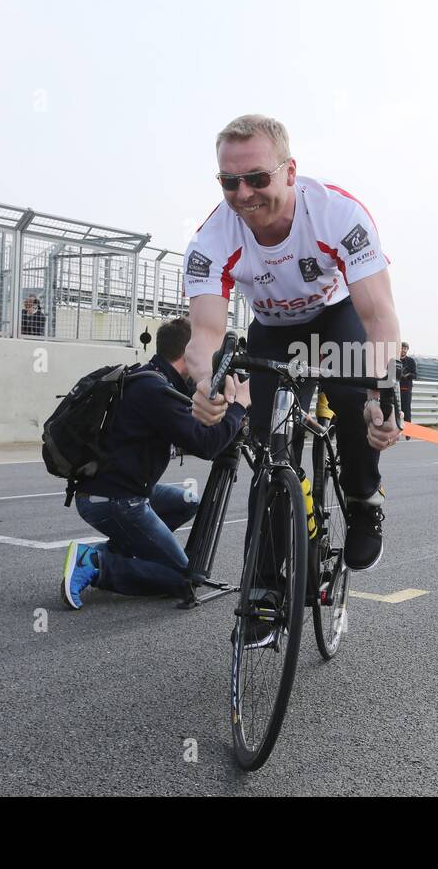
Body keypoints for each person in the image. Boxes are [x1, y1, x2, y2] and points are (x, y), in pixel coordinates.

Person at [182, 114, 402, 574]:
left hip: (335, 317)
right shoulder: (211, 239)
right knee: (267, 448)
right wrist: (206, 382)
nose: (243, 194)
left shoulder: (337, 214)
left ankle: (363, 498)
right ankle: (264, 580)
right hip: (274, 330)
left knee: (352, 398)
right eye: (229, 181)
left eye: (257, 178)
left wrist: (381, 393)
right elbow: (204, 335)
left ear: (289, 172)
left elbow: (378, 314)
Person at [60, 317, 250, 609]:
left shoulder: (149, 377)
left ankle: (118, 551)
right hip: (115, 501)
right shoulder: (156, 391)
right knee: (184, 579)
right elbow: (207, 445)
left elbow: (195, 426)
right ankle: (97, 564)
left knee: (186, 501)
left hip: (123, 490)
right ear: (189, 354)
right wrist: (239, 406)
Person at [398, 341, 417, 439]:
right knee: (395, 410)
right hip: (396, 389)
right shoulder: (395, 360)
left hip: (406, 390)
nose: (403, 350)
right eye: (402, 348)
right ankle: (395, 431)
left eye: (405, 348)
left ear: (407, 350)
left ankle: (408, 432)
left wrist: (407, 375)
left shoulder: (411, 361)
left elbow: (415, 375)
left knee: (406, 411)